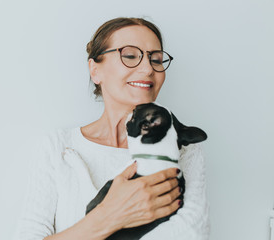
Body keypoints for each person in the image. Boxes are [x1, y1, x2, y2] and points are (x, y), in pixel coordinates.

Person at [13, 17, 209, 240]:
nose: (147, 69)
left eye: (155, 59)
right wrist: (109, 215)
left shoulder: (184, 150)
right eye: (130, 56)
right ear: (95, 70)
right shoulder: (58, 148)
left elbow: (191, 235)